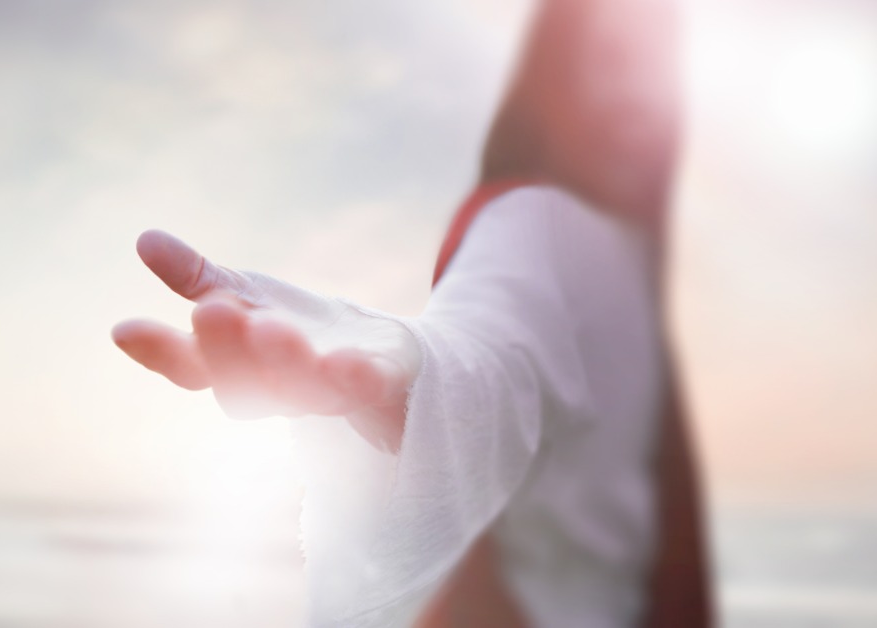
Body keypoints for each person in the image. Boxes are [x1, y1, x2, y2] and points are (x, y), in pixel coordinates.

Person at [112, 0, 712, 625]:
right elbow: (495, 343)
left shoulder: (628, 259)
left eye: (658, 66)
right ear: (556, 80)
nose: (639, 95)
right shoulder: (540, 221)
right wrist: (417, 377)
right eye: (612, 61)